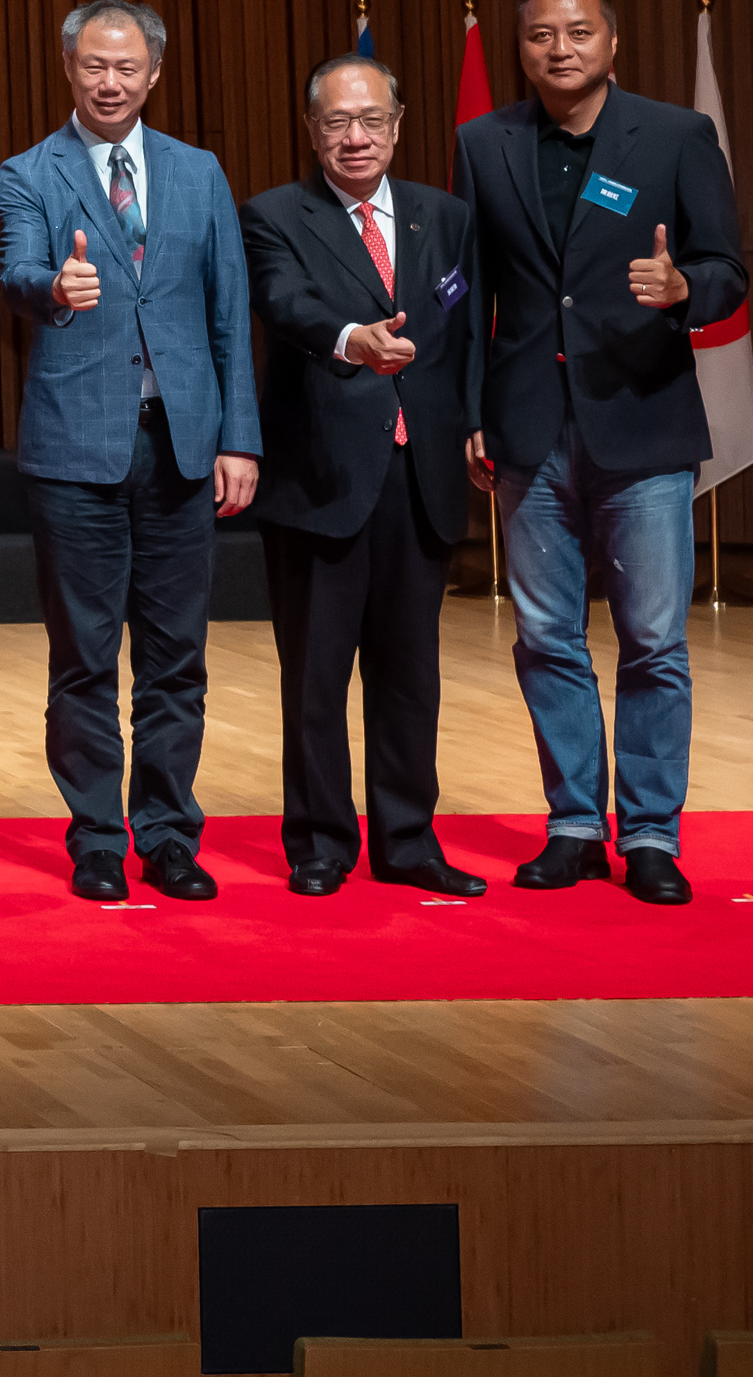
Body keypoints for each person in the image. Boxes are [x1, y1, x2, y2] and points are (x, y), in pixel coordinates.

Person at [453, 0, 747, 904]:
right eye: (541, 34)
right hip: (528, 428)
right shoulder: (483, 144)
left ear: (611, 43)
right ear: (522, 47)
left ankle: (653, 834)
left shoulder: (674, 135)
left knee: (653, 638)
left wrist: (685, 290)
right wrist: (467, 411)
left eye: (578, 32)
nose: (560, 49)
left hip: (644, 420)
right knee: (546, 636)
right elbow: (468, 300)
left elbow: (728, 268)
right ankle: (575, 825)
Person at [0, 0, 262, 902]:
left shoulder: (198, 172)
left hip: (184, 445)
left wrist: (241, 440)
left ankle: (168, 832)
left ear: (153, 73)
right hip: (77, 449)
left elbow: (230, 313)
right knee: (82, 655)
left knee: (176, 653)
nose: (110, 82)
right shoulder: (29, 171)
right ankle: (98, 837)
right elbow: (18, 272)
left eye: (128, 68)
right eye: (93, 66)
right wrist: (55, 287)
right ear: (68, 68)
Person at [241, 55, 489, 897]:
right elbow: (283, 302)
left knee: (411, 673)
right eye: (338, 123)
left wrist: (475, 423)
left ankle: (409, 841)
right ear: (312, 130)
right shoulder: (275, 215)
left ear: (398, 124)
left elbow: (468, 334)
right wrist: (353, 337)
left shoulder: (444, 216)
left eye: (372, 121)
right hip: (321, 479)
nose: (356, 138)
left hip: (421, 475)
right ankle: (319, 842)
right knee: (316, 675)